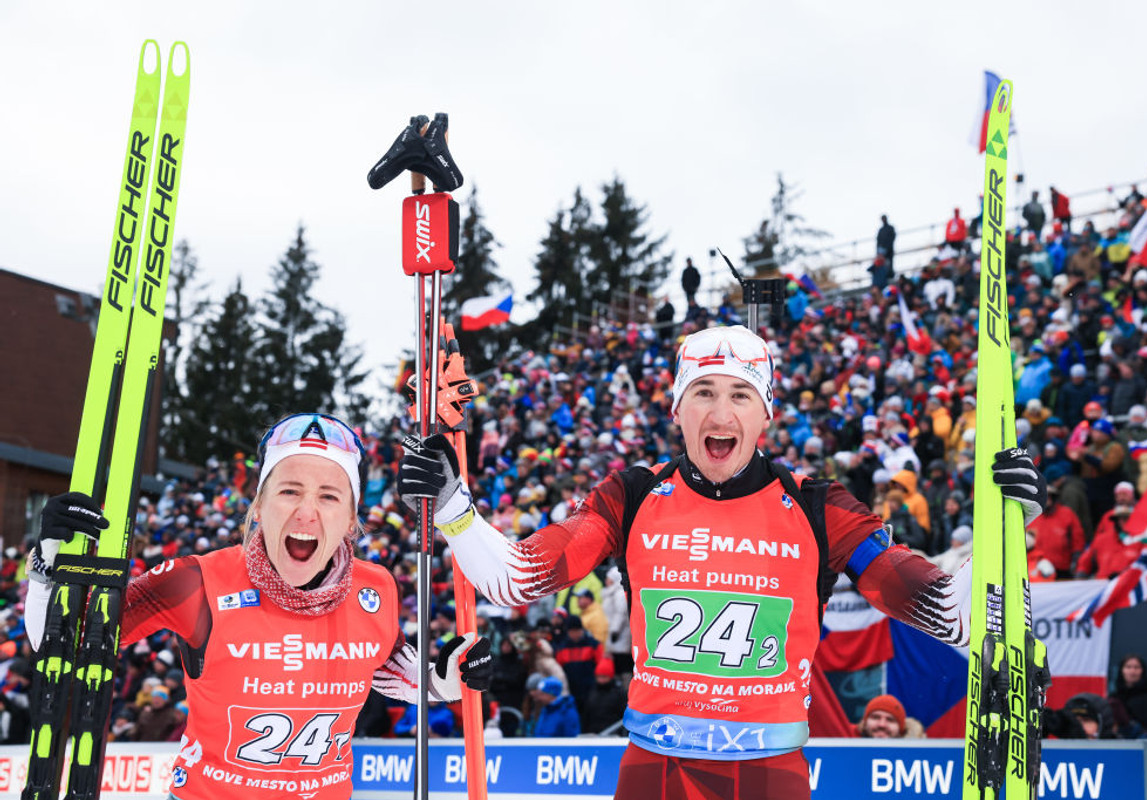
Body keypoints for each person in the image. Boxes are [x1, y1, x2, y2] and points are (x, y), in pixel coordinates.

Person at [398, 325, 1046, 800]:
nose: (720, 411)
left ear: (765, 413)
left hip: (769, 772)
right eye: (702, 392)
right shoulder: (631, 495)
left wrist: (1005, 532)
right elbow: (518, 579)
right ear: (677, 408)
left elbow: (949, 615)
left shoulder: (817, 505)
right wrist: (454, 504)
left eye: (740, 395)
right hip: (657, 767)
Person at [28, 412, 492, 800]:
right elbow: (58, 646)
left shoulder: (376, 588)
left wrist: (444, 681)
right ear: (260, 503)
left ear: (351, 518)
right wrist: (48, 567)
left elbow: (387, 669)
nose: (306, 513)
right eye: (289, 490)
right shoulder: (197, 581)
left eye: (329, 496)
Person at [1109, 654, 1147, 737]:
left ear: (1142, 671)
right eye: (1128, 667)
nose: (1132, 671)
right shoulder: (1114, 698)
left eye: (1136, 667)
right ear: (1122, 670)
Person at [857, 694, 921, 739]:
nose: (882, 725)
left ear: (901, 729)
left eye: (890, 720)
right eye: (875, 717)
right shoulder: (850, 746)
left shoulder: (917, 755)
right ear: (864, 723)